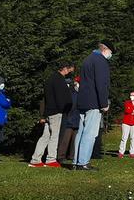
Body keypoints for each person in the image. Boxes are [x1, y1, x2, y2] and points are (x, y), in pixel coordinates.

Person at [73, 41, 113, 171]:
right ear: (105, 50)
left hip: (83, 101)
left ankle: (76, 160)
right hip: (94, 102)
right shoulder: (100, 61)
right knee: (90, 133)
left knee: (81, 132)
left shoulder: (88, 59)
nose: (110, 55)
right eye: (111, 52)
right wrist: (104, 103)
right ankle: (83, 162)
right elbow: (101, 84)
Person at [29, 61, 75, 168]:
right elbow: (61, 97)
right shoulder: (59, 80)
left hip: (49, 111)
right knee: (54, 136)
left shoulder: (50, 79)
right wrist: (64, 108)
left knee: (45, 135)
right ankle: (51, 159)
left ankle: (35, 159)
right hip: (56, 111)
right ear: (64, 68)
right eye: (69, 70)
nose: (69, 73)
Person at [57, 76, 80, 162]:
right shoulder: (72, 93)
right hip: (70, 119)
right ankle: (61, 156)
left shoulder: (79, 93)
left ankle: (72, 155)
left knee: (75, 140)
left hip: (76, 119)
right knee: (65, 140)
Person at [119, 91, 134, 158]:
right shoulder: (127, 102)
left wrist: (133, 111)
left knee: (133, 138)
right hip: (126, 122)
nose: (131, 96)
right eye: (130, 95)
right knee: (124, 138)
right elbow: (127, 110)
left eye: (133, 95)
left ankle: (132, 153)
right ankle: (121, 152)